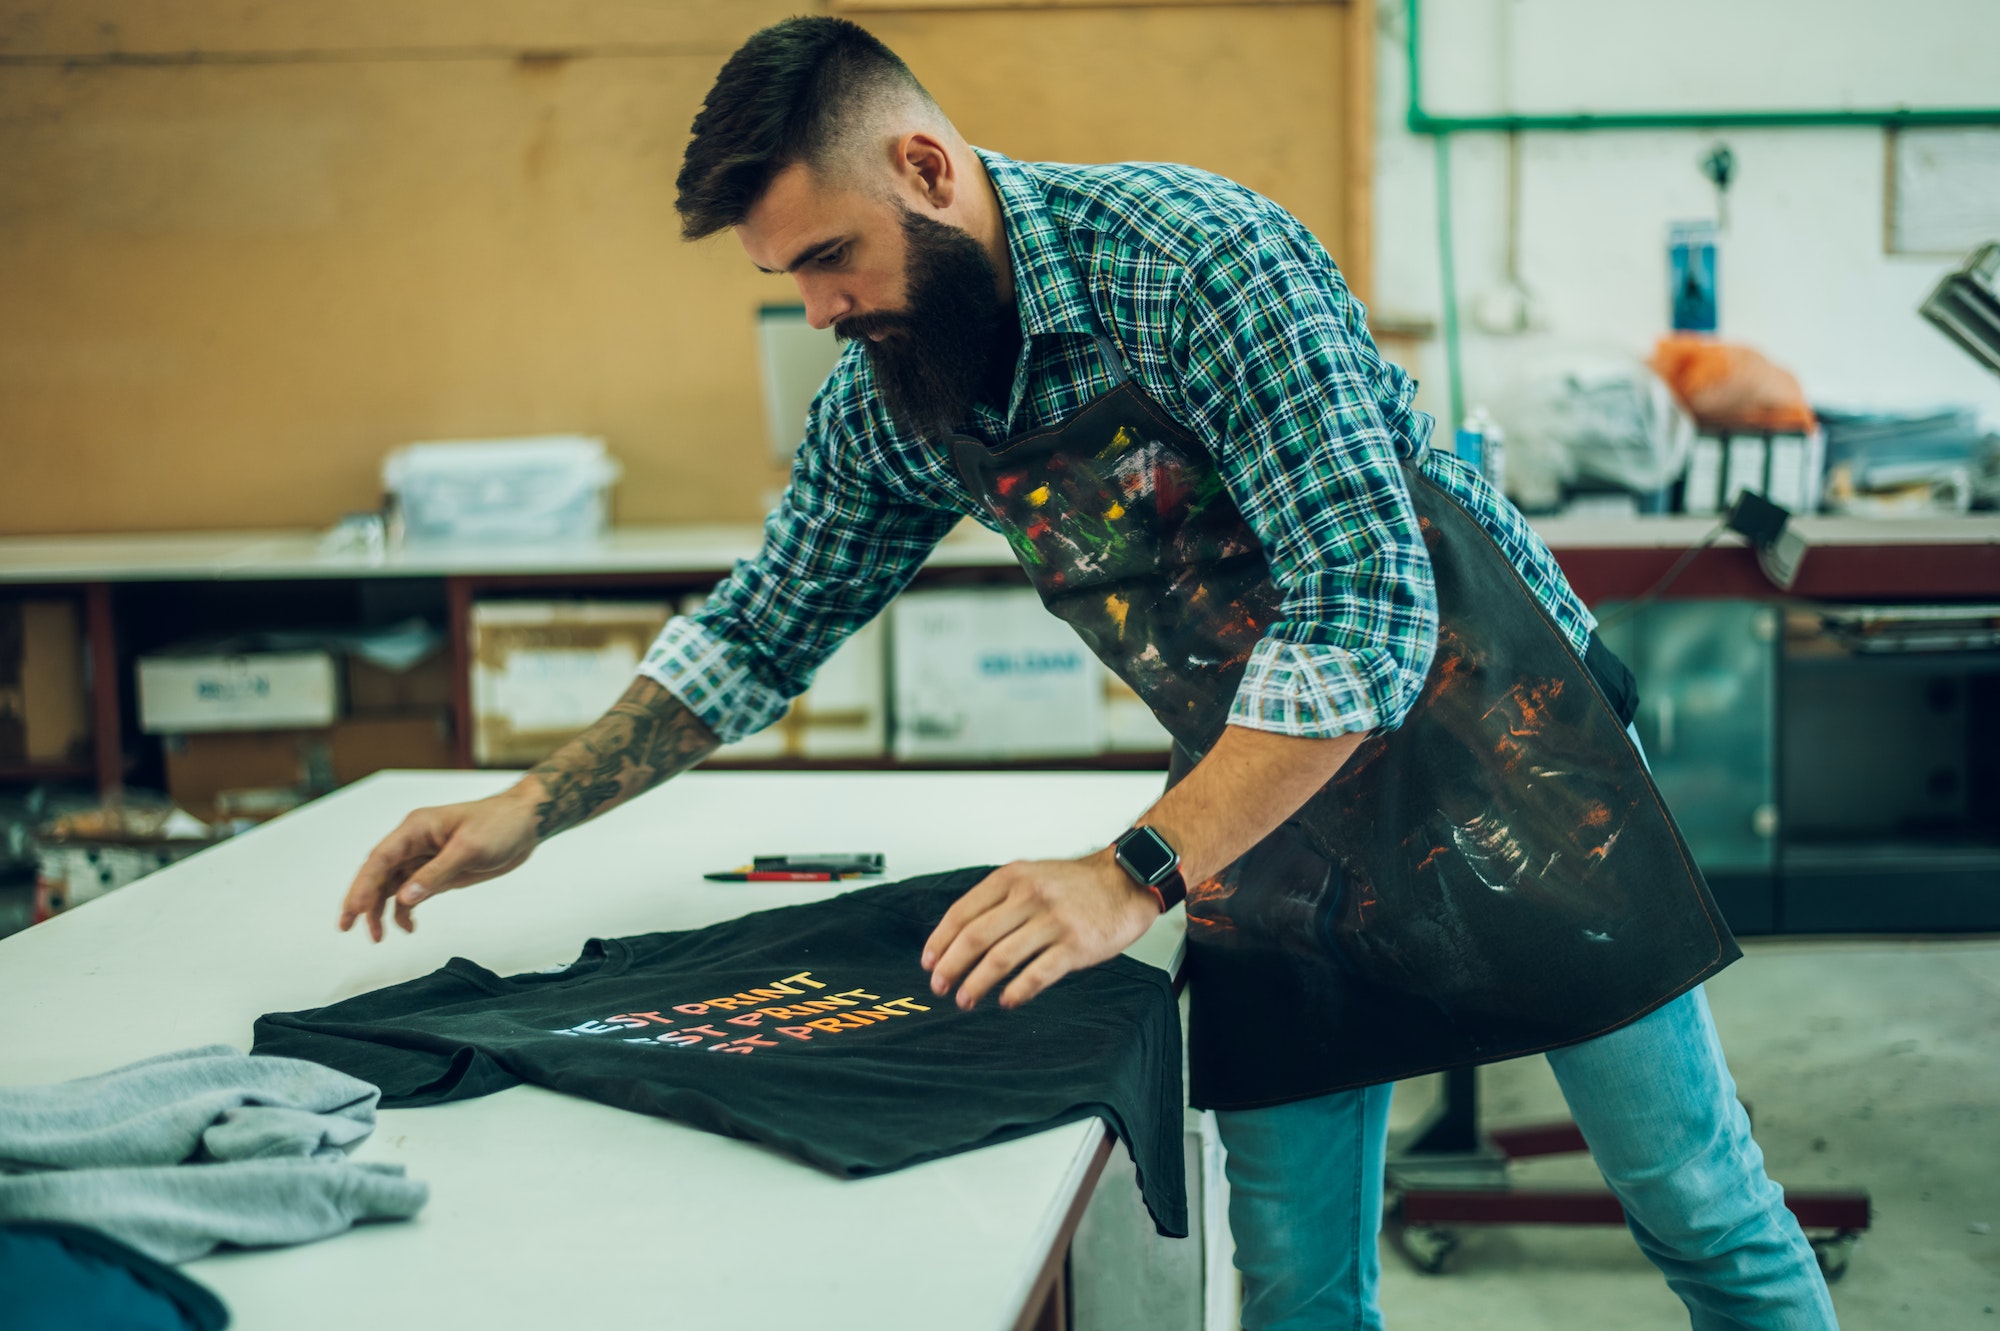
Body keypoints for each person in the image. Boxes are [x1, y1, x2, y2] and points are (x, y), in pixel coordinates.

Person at [337, 18, 1837, 1330]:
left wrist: (1128, 875)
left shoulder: (1196, 261)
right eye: (786, 276)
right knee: (1301, 1286)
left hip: (1509, 763)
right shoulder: (899, 396)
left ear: (925, 169)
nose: (818, 310)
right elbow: (765, 620)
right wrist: (534, 805)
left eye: (827, 258)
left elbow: (1367, 613)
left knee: (1700, 1212)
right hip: (1267, 819)